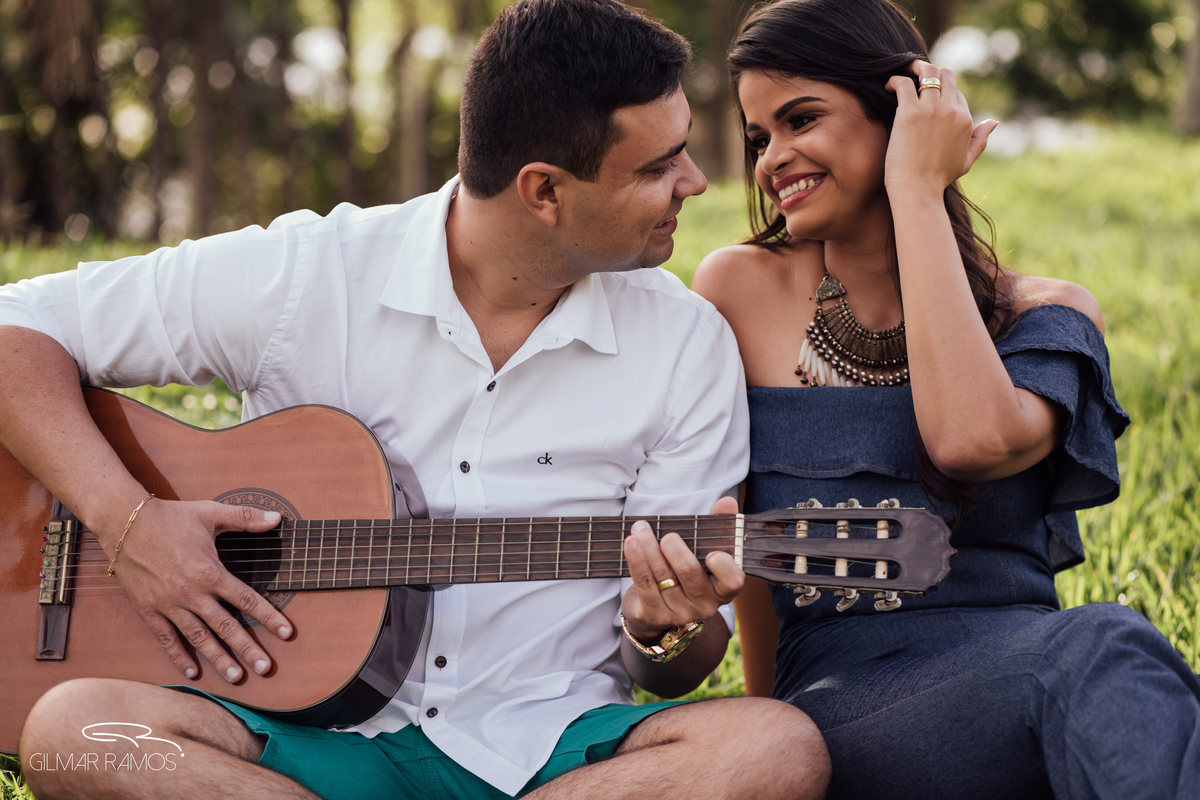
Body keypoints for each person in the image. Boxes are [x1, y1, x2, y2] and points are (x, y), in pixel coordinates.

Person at [0, 1, 830, 798]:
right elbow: (16, 328)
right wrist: (130, 522)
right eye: (657, 166)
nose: (695, 180)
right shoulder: (309, 275)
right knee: (73, 730)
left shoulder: (684, 343)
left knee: (774, 749)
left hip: (551, 751)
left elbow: (672, 670)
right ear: (543, 191)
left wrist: (663, 626)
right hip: (292, 742)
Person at [692, 0, 1200, 798]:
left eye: (801, 120)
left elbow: (971, 437)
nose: (771, 160)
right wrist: (774, 748)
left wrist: (917, 192)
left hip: (1026, 690)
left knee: (1098, 656)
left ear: (903, 113)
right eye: (760, 138)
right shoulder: (739, 291)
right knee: (1104, 643)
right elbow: (749, 549)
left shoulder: (1045, 315)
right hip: (847, 709)